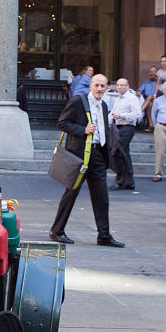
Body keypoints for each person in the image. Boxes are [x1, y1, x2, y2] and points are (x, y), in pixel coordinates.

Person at [49, 72, 124, 247]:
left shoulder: (104, 105)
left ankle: (104, 235)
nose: (99, 88)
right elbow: (62, 123)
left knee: (102, 197)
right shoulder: (78, 101)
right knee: (71, 193)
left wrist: (107, 155)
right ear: (90, 86)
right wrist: (83, 129)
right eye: (96, 85)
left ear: (106, 88)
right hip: (79, 155)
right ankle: (57, 230)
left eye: (103, 86)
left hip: (97, 156)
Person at [105, 77, 142, 191]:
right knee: (122, 153)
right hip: (117, 128)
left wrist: (122, 116)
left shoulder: (132, 98)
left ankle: (121, 180)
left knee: (117, 152)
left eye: (122, 85)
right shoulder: (118, 99)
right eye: (118, 85)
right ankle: (127, 182)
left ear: (128, 86)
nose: (120, 87)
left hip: (127, 128)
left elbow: (137, 114)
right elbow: (112, 114)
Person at [151, 81, 166, 181]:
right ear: (163, 91)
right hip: (161, 126)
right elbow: (153, 115)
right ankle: (158, 173)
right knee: (160, 151)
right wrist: (157, 126)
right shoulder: (158, 101)